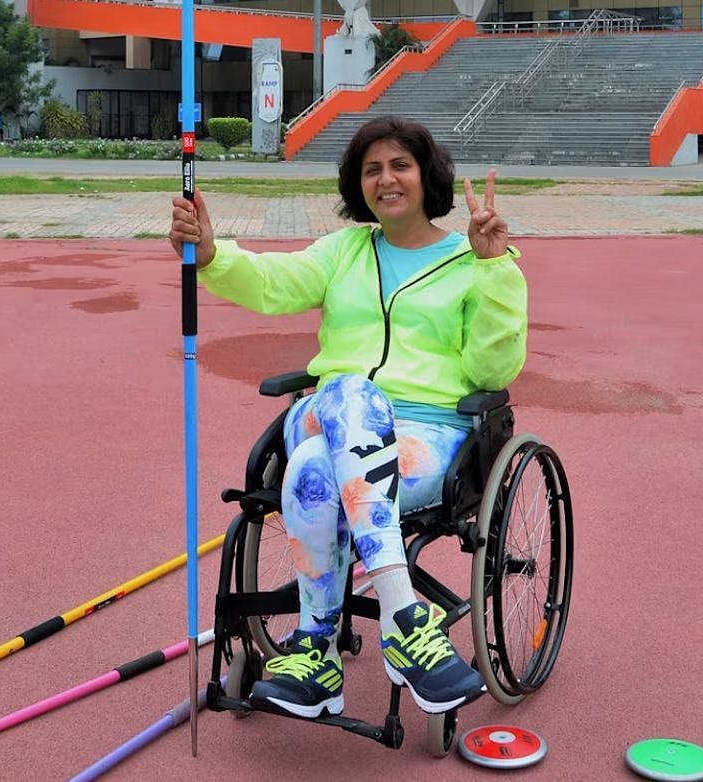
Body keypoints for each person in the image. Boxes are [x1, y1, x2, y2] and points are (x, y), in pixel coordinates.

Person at [168, 116, 526, 721]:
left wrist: (493, 270)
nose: (386, 180)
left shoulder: (476, 260)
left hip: (426, 435)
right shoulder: (344, 251)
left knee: (310, 469)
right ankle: (405, 616)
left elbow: (493, 370)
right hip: (329, 412)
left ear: (427, 175)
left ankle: (316, 651)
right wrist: (210, 257)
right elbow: (275, 282)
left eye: (400, 166)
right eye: (371, 169)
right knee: (350, 392)